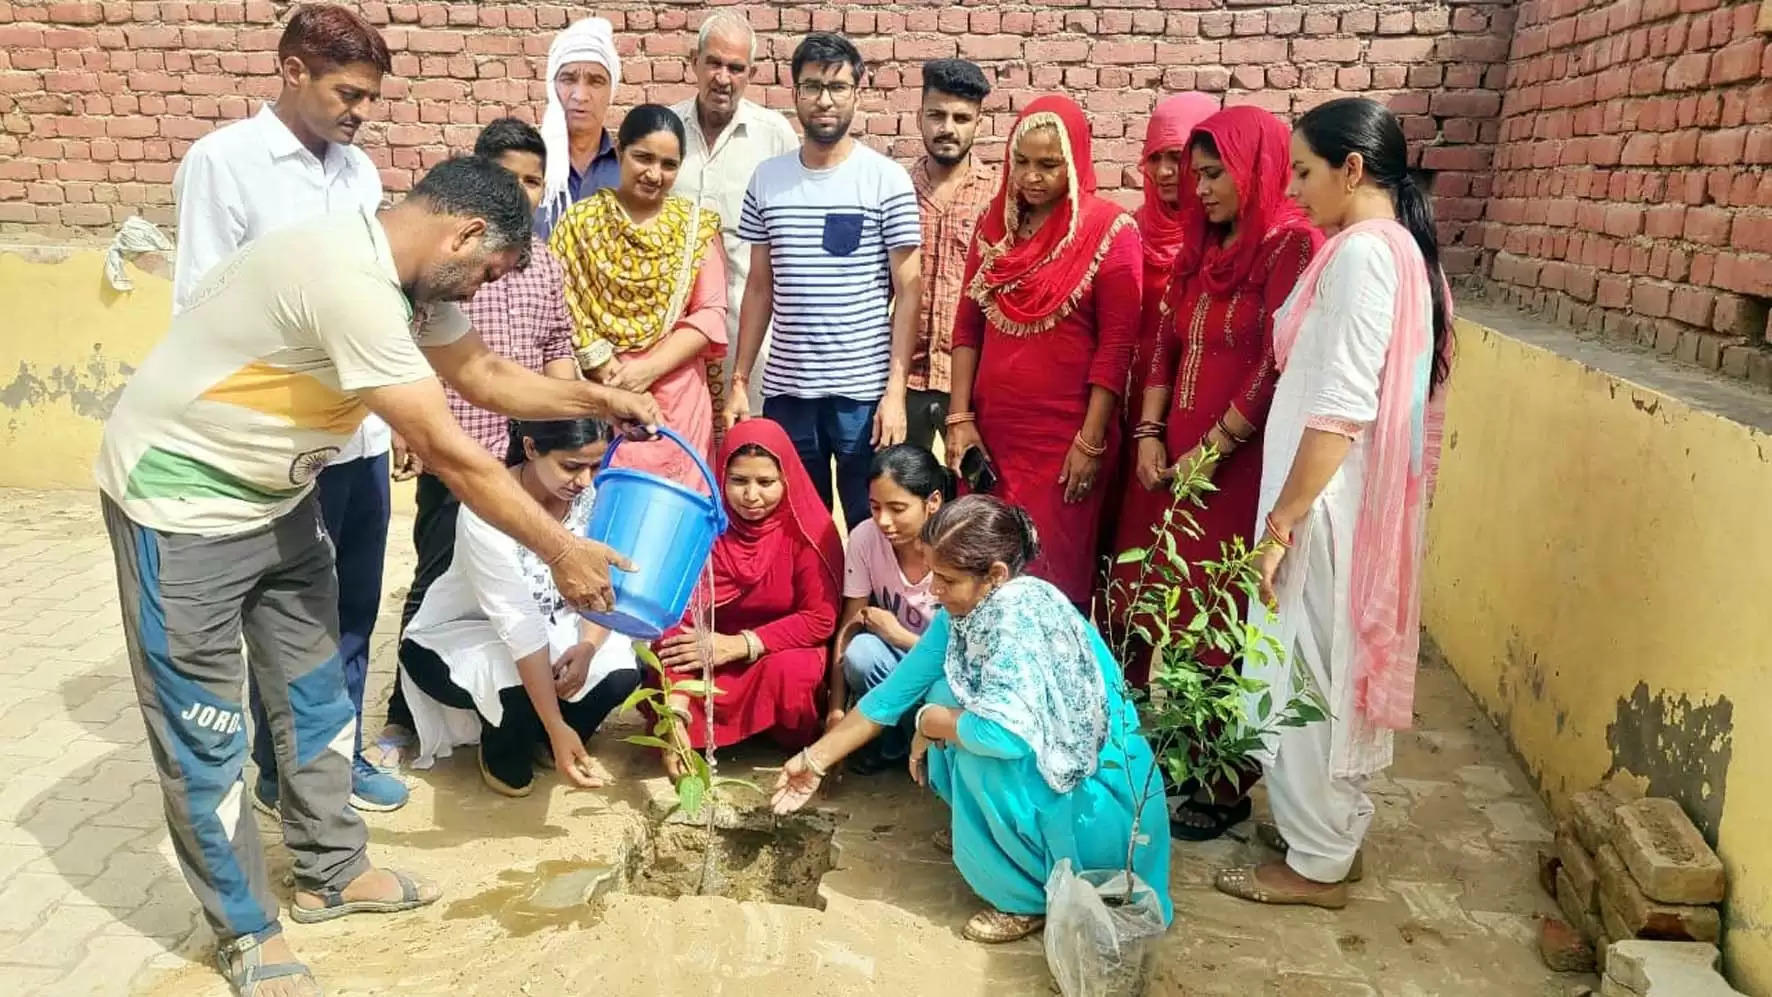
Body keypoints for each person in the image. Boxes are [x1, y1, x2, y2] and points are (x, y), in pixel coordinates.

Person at [95, 156, 659, 997]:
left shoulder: (413, 283)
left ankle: (331, 869)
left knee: (318, 691)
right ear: (463, 234)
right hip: (180, 508)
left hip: (276, 499)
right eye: (487, 273)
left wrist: (590, 397)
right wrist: (560, 548)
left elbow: (484, 376)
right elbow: (442, 445)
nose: (478, 294)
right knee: (203, 729)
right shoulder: (346, 279)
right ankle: (247, 928)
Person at [169, 3, 408, 815]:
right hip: (280, 442)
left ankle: (331, 758)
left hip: (361, 434)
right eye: (348, 92)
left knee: (352, 607)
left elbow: (376, 299)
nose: (360, 112)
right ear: (292, 70)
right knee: (287, 617)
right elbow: (205, 309)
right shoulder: (225, 164)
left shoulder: (360, 173)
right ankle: (280, 773)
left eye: (371, 98)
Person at [1213, 97, 1451, 910]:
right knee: (1314, 668)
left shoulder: (1362, 256)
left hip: (1323, 508)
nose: (1294, 191)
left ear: (1353, 169)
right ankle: (1320, 829)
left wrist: (1281, 522)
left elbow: (1341, 406)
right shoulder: (1400, 252)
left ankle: (1317, 862)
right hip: (1332, 500)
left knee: (1303, 674)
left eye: (1306, 173)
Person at [772, 495, 1173, 944]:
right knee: (944, 693)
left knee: (975, 744)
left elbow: (1004, 735)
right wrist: (813, 760)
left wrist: (930, 723)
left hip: (1097, 807)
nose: (933, 592)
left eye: (945, 579)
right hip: (1059, 774)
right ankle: (994, 835)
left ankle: (1024, 896)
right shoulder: (970, 610)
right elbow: (894, 692)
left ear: (995, 575)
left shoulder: (1017, 621)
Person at [1107, 106, 1322, 841]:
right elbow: (1165, 341)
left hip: (1244, 461)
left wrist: (1217, 446)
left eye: (1212, 172)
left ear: (1252, 165)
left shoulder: (1290, 246)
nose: (1196, 189)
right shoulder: (1201, 248)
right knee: (1178, 605)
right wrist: (1149, 431)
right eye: (1192, 174)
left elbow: (1272, 360)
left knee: (1224, 614)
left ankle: (1226, 778)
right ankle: (1190, 746)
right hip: (1177, 455)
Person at [378, 117, 581, 770]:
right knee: (437, 575)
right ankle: (402, 716)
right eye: (508, 179)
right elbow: (398, 351)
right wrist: (402, 426)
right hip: (454, 450)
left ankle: (522, 704)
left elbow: (555, 349)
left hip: (522, 459)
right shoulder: (442, 269)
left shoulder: (545, 264)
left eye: (533, 181)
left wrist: (574, 425)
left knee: (515, 589)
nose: (522, 192)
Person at [944, 95, 1144, 607]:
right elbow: (967, 328)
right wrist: (960, 419)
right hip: (991, 438)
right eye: (1022, 163)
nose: (1032, 177)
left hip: (1066, 443)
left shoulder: (1109, 230)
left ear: (1075, 161)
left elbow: (1116, 346)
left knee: (1052, 572)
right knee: (981, 564)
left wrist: (1092, 441)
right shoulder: (996, 228)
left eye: (1049, 165)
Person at [725, 32, 923, 530]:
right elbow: (759, 288)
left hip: (862, 394)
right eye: (812, 86)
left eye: (836, 86)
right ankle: (813, 611)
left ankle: (863, 611)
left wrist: (894, 391)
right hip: (788, 394)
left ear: (858, 92)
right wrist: (739, 382)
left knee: (870, 520)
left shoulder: (885, 179)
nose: (824, 99)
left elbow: (909, 289)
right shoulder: (767, 180)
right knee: (795, 521)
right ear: (794, 94)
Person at [399, 418, 641, 797]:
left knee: (621, 666)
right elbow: (517, 623)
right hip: (469, 633)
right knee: (513, 682)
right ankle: (513, 746)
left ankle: (550, 738)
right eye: (571, 466)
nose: (584, 481)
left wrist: (588, 647)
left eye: (595, 466)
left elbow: (604, 588)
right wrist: (555, 721)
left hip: (552, 626)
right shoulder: (486, 509)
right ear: (530, 448)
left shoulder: (590, 499)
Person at [549, 104, 728, 489]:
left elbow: (710, 314)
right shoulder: (579, 223)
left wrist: (645, 371)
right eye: (643, 158)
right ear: (619, 151)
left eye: (668, 164)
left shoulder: (695, 227)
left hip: (678, 396)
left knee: (678, 515)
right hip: (601, 392)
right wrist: (609, 372)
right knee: (607, 513)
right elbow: (563, 310)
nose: (654, 174)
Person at [649, 418, 841, 772]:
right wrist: (675, 708)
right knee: (662, 641)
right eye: (738, 481)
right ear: (721, 477)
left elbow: (820, 619)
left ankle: (774, 732)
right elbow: (679, 619)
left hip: (771, 651)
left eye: (766, 482)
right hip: (707, 656)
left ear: (787, 480)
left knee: (795, 671)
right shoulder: (704, 527)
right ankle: (684, 730)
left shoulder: (810, 532)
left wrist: (740, 645)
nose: (752, 496)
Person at [670, 12, 800, 425]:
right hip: (673, 339)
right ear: (694, 61)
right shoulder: (665, 129)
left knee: (747, 459)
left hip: (750, 342)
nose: (722, 78)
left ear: (752, 73)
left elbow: (788, 238)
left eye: (735, 67)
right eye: (713, 63)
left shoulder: (774, 135)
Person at [828, 445, 952, 770]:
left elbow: (966, 656)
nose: (884, 521)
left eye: (897, 508)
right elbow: (850, 623)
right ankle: (893, 743)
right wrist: (836, 711)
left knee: (942, 689)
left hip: (947, 670)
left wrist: (899, 636)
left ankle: (930, 749)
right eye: (875, 507)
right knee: (861, 653)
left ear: (933, 503)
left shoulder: (958, 545)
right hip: (898, 667)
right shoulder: (865, 539)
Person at [903, 59, 997, 450]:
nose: (947, 129)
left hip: (972, 384)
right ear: (919, 116)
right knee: (904, 492)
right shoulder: (896, 189)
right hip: (903, 381)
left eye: (961, 117)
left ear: (979, 123)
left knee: (973, 498)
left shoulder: (998, 195)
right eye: (936, 115)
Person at [535, 16, 623, 239]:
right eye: (568, 79)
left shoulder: (627, 168)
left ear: (611, 91)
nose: (580, 96)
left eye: (596, 81)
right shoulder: (529, 165)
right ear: (552, 86)